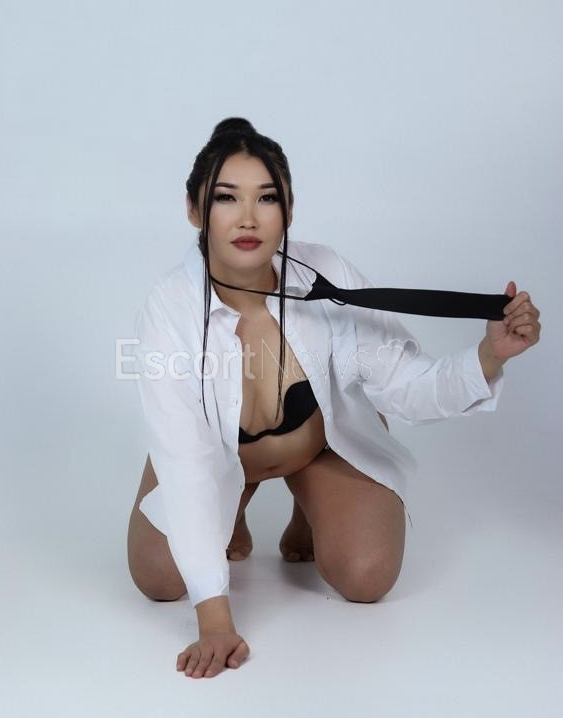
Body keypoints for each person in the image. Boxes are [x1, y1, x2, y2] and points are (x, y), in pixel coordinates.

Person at [126, 118, 541, 679]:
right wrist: (215, 621)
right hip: (207, 456)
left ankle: (308, 504)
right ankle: (233, 504)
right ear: (195, 211)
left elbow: (406, 383)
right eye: (226, 198)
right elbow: (189, 459)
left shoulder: (326, 277)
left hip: (313, 447)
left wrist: (489, 356)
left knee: (367, 576)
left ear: (288, 209)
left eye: (267, 198)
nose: (248, 218)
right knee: (159, 579)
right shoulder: (170, 310)